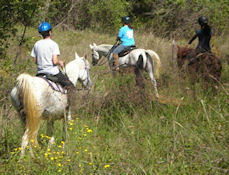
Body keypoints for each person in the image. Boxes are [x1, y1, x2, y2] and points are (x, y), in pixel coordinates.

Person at [31, 21, 75, 105]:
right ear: (50, 32)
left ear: (41, 34)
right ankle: (70, 107)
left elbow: (35, 61)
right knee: (71, 87)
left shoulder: (36, 44)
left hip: (40, 73)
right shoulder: (53, 44)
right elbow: (54, 61)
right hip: (53, 72)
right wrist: (60, 62)